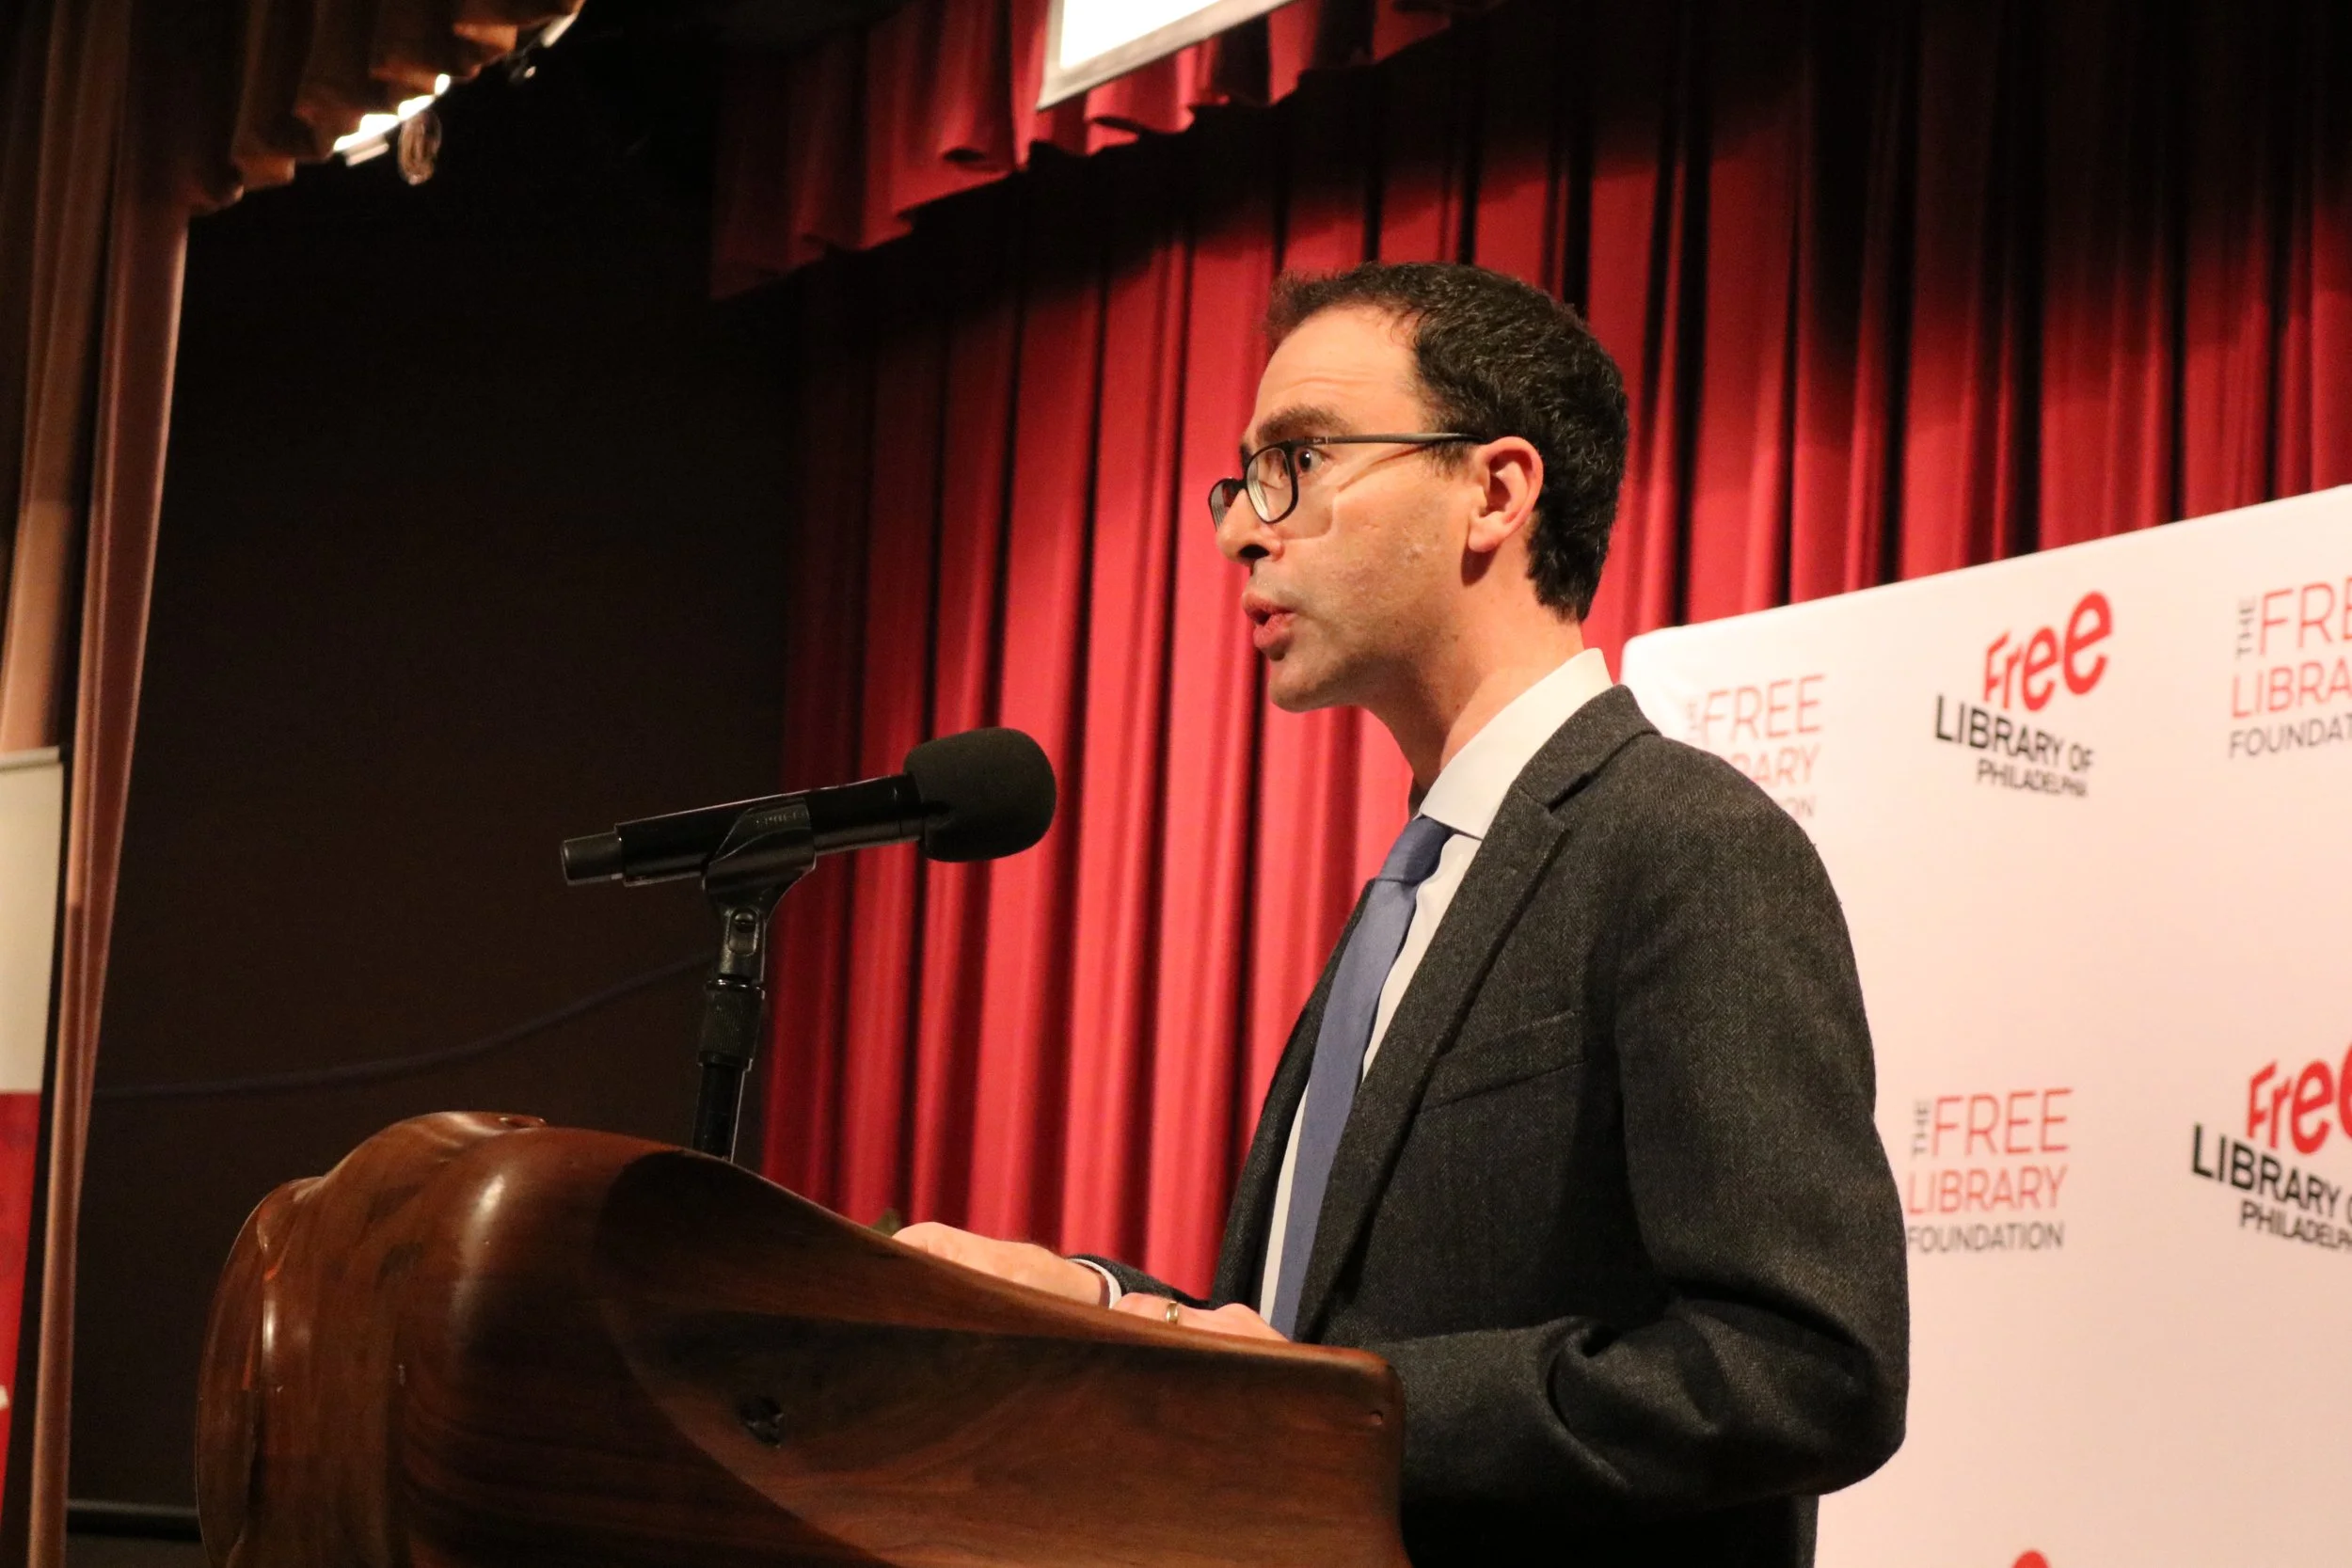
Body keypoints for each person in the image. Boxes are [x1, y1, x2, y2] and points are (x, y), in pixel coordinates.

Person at [895, 261, 1907, 1567]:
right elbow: (1308, 1346)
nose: (1240, 532)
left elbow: (1802, 1366)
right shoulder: (1415, 891)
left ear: (1494, 490)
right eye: (1245, 477)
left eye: (1300, 458)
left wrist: (1341, 1407)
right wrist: (1095, 1303)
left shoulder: (1684, 845)